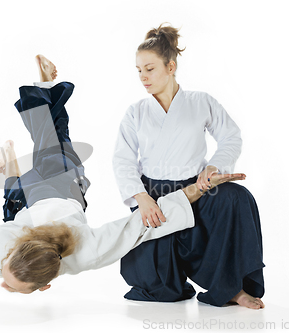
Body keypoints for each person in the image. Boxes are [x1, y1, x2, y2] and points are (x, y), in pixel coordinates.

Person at [0, 55, 247, 308]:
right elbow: (143, 226)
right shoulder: (85, 250)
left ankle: (14, 164)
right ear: (44, 282)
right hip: (61, 184)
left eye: (5, 279)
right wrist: (199, 188)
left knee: (28, 177)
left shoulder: (0, 249)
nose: (1, 282)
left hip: (23, 207)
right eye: (9, 282)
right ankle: (41, 98)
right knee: (52, 141)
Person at [113, 23, 265, 309]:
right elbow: (122, 159)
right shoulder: (136, 112)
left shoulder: (200, 102)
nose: (143, 77)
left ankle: (232, 288)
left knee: (237, 198)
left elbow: (231, 136)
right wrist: (141, 198)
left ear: (171, 67)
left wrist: (214, 168)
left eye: (150, 68)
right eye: (138, 70)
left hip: (199, 188)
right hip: (155, 196)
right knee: (159, 286)